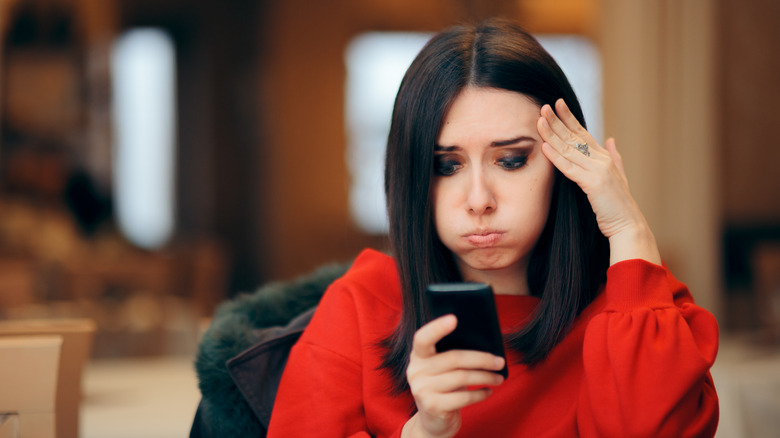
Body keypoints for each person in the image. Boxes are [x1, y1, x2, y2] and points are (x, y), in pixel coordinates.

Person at [266, 18, 719, 437]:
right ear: (410, 179)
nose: (479, 200)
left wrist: (627, 225)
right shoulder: (361, 307)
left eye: (511, 160)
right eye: (446, 166)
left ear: (565, 165)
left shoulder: (638, 309)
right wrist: (423, 431)